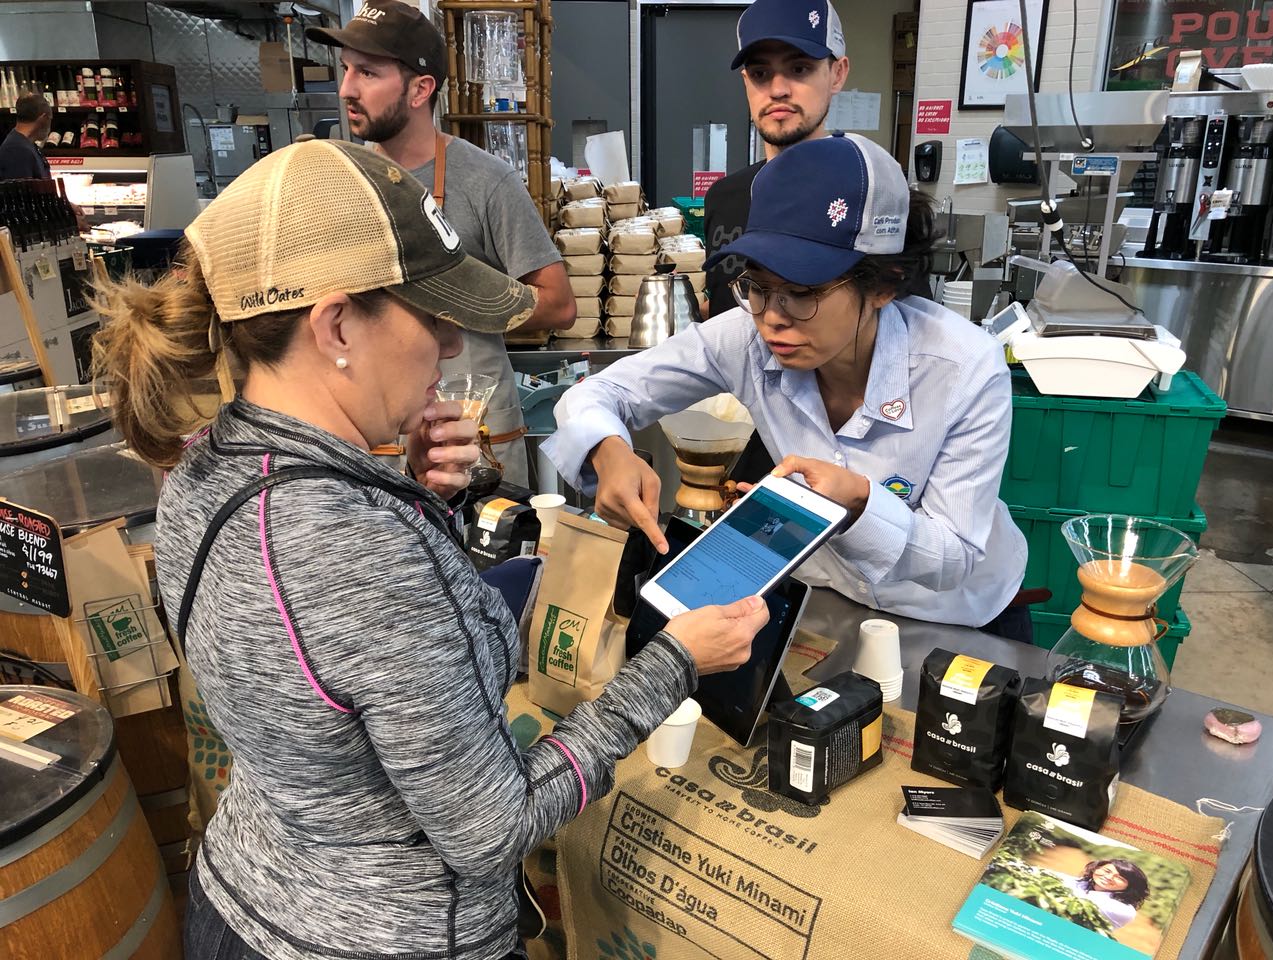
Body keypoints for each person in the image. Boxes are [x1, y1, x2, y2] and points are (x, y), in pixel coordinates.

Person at [92, 140, 767, 960]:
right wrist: (674, 663)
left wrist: (407, 490)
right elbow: (493, 828)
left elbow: (325, 665)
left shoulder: (205, 465)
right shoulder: (355, 547)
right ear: (335, 324)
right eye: (433, 316)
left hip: (243, 900)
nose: (452, 345)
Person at [543, 134, 1031, 639]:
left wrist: (861, 503)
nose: (772, 320)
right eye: (756, 285)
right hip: (830, 608)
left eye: (802, 294)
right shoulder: (745, 338)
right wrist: (608, 448)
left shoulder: (964, 367)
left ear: (884, 284)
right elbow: (598, 393)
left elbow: (953, 558)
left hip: (959, 618)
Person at [308, 0, 575, 486]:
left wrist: (453, 301)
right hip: (375, 437)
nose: (347, 88)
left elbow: (558, 306)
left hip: (475, 431)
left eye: (367, 72)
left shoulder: (487, 181)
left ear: (421, 89)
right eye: (346, 70)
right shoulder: (339, 182)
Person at [701, 0, 848, 320]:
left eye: (799, 68)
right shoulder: (723, 197)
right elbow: (725, 308)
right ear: (745, 82)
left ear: (838, 74)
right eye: (760, 72)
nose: (777, 89)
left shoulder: (871, 198)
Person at [1049, 859, 1150, 930]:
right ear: (1096, 868)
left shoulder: (1124, 911)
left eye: (1120, 878)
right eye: (1107, 871)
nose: (1109, 877)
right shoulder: (1085, 884)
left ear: (1130, 886)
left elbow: (1075, 902)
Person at [0, 93, 53, 180]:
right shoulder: (17, 150)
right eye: (50, 119)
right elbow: (24, 192)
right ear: (43, 118)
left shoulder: (24, 144)